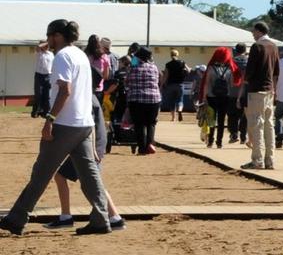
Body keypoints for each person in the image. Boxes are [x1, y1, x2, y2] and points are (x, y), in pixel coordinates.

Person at [0, 19, 112, 236]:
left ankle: (17, 218)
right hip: (84, 123)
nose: (47, 40)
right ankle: (101, 219)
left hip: (64, 123)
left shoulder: (62, 57)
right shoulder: (79, 54)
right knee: (89, 175)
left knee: (41, 172)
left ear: (57, 35)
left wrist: (50, 119)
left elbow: (65, 91)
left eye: (49, 35)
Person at [45, 97, 126, 231]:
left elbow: (90, 126)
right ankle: (67, 217)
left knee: (92, 184)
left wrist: (93, 149)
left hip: (91, 147)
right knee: (67, 177)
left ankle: (114, 218)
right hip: (91, 145)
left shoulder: (85, 98)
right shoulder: (88, 95)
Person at [242, 21, 280, 170]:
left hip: (257, 90)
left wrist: (246, 79)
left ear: (259, 31)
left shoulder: (257, 46)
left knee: (256, 124)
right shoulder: (274, 46)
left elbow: (250, 70)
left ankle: (257, 160)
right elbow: (277, 70)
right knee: (269, 125)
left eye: (253, 31)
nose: (252, 34)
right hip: (270, 90)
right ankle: (270, 159)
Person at [201, 47, 240, 148]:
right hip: (224, 97)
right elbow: (232, 84)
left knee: (211, 119)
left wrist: (204, 97)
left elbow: (206, 83)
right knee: (221, 120)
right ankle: (219, 142)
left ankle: (210, 141)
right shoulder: (229, 69)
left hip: (211, 97)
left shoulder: (210, 68)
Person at [125, 47, 162, 155]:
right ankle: (150, 144)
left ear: (138, 57)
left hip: (137, 99)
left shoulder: (133, 68)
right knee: (151, 123)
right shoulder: (154, 67)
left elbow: (127, 82)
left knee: (139, 124)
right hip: (154, 99)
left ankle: (142, 148)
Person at [228, 43, 249, 144]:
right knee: (245, 115)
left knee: (232, 115)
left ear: (236, 50)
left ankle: (233, 134)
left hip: (232, 91)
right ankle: (243, 136)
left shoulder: (231, 61)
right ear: (245, 50)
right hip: (246, 91)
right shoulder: (249, 61)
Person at [161, 50, 188, 122]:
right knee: (180, 100)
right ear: (177, 55)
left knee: (172, 101)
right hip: (180, 84)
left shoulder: (168, 64)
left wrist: (162, 84)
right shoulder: (182, 62)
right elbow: (188, 70)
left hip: (170, 85)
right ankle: (180, 110)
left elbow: (166, 76)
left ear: (170, 55)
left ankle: (173, 118)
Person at [32, 41, 54, 118]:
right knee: (38, 94)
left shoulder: (51, 54)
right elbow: (38, 47)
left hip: (48, 75)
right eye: (45, 45)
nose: (47, 46)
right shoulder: (39, 53)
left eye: (47, 45)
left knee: (47, 95)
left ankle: (46, 112)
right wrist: (47, 42)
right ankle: (36, 111)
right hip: (39, 75)